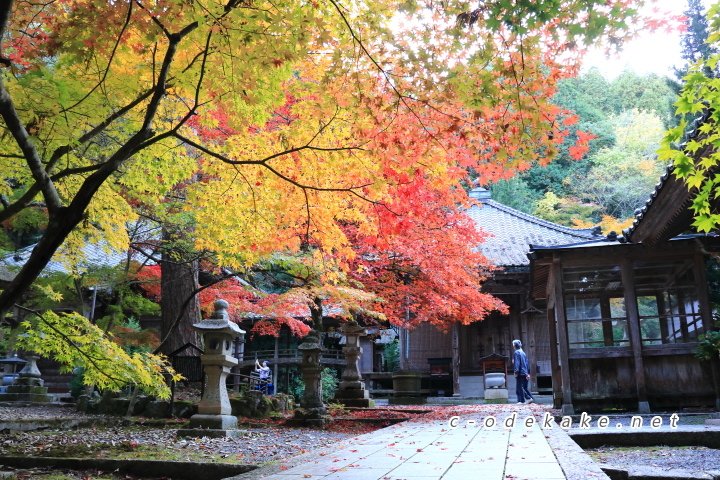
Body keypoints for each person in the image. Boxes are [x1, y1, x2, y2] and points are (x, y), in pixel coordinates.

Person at [512, 339, 535, 404]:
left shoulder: (516, 352)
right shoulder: (523, 352)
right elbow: (525, 363)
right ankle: (523, 400)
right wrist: (527, 373)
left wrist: (516, 372)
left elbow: (517, 363)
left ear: (514, 346)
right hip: (524, 371)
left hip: (520, 372)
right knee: (521, 387)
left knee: (520, 387)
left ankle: (525, 399)